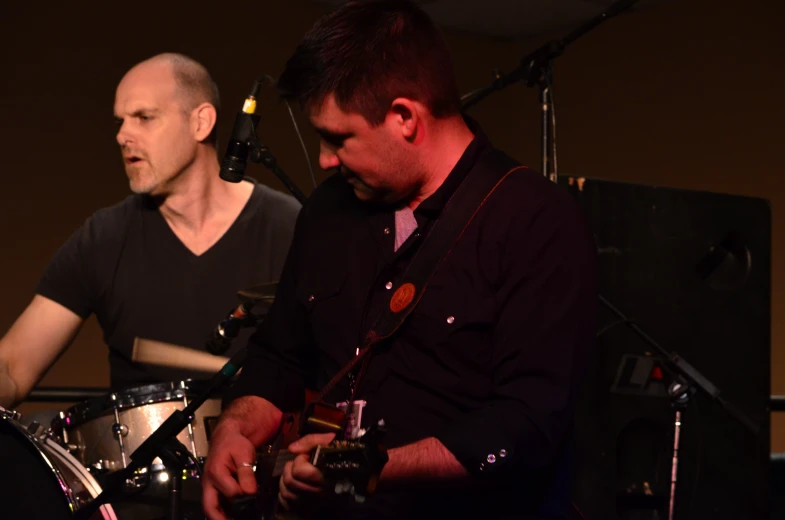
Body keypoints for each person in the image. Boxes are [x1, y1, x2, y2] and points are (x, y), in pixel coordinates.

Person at [202, 2, 597, 519]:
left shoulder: (535, 220)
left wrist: (360, 467)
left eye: (339, 138)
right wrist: (235, 428)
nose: (323, 159)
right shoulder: (329, 211)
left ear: (405, 118)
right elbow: (279, 355)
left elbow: (527, 425)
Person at [0, 53, 301, 408]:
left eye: (144, 117)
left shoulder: (289, 226)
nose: (122, 135)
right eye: (120, 121)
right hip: (146, 461)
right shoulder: (104, 239)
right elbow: (13, 367)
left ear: (201, 123)